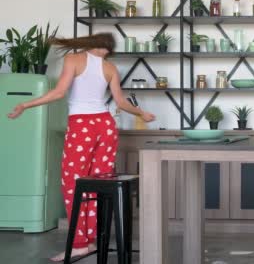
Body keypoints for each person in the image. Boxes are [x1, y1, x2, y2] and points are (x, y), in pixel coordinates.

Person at [7, 33, 155, 261]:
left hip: (82, 125)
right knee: (96, 183)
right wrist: (142, 113)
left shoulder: (74, 59)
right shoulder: (110, 68)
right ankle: (90, 241)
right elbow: (121, 102)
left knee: (74, 184)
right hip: (105, 126)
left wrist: (26, 104)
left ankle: (79, 244)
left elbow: (58, 92)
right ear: (105, 48)